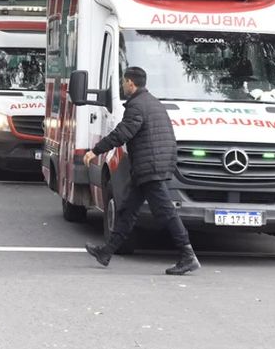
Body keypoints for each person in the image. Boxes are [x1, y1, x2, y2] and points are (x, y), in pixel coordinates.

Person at [83, 66, 200, 276]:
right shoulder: (153, 102)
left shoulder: (137, 106)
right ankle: (107, 252)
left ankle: (188, 255)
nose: (122, 85)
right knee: (128, 209)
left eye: (123, 82)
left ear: (131, 83)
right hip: (152, 164)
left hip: (150, 166)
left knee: (166, 212)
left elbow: (122, 133)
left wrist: (95, 151)